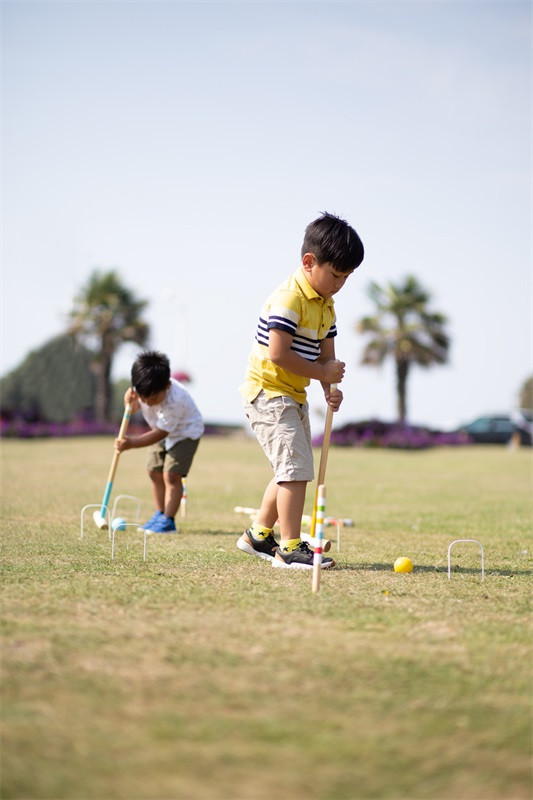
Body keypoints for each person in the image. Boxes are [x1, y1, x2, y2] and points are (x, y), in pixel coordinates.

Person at [238, 212, 364, 569]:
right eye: (335, 275)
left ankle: (258, 535)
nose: (340, 284)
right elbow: (278, 354)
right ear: (309, 262)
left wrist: (329, 386)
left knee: (293, 467)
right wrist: (322, 371)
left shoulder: (326, 305)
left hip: (293, 394)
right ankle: (290, 548)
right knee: (294, 470)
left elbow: (326, 357)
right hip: (268, 392)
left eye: (347, 277)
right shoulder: (289, 298)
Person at [114, 350, 204, 533]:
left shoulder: (176, 399)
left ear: (167, 386)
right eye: (143, 397)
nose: (147, 401)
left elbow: (162, 432)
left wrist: (131, 443)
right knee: (153, 471)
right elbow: (133, 409)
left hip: (185, 433)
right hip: (159, 429)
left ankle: (168, 521)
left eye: (153, 398)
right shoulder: (142, 389)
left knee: (171, 475)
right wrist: (129, 402)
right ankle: (160, 514)